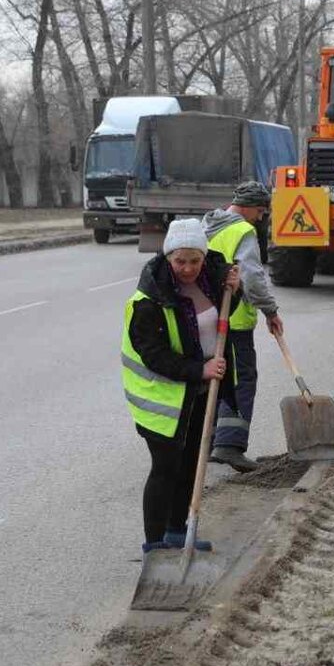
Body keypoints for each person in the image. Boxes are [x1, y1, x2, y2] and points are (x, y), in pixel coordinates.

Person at [122, 217, 241, 554]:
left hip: (198, 391)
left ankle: (177, 530)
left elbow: (224, 315)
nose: (187, 269)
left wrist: (237, 288)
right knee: (165, 467)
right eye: (180, 261)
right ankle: (155, 544)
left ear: (203, 258)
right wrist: (199, 369)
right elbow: (153, 354)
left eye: (194, 260)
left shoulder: (212, 279)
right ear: (168, 258)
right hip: (160, 396)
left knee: (191, 459)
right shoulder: (149, 299)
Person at [203, 181, 283, 473]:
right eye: (261, 211)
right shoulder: (243, 231)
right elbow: (251, 277)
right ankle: (229, 445)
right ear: (248, 206)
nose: (261, 218)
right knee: (240, 380)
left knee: (213, 377)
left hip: (205, 320)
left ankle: (209, 441)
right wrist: (270, 311)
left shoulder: (207, 226)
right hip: (233, 321)